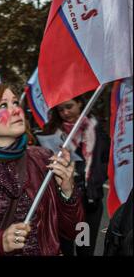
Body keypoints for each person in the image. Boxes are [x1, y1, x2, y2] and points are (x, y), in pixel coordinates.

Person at [0, 84, 84, 256]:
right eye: (3, 105)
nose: (15, 110)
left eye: (15, 103)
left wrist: (67, 191)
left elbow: (74, 231)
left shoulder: (43, 158)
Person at [41, 95, 110, 256]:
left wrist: (94, 180)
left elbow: (106, 161)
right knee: (64, 248)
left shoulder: (96, 130)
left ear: (80, 103)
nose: (65, 112)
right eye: (60, 109)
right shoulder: (52, 131)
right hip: (61, 202)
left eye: (69, 106)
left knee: (84, 247)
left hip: (88, 202)